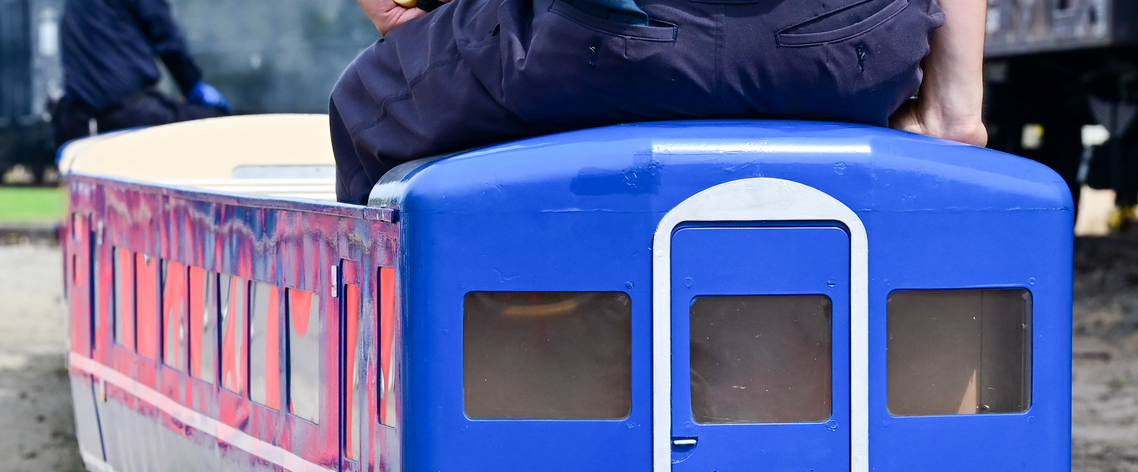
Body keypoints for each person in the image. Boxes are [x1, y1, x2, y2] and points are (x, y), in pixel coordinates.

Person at [329, 0, 988, 204]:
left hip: (615, 43)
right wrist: (955, 109)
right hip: (846, 40)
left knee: (369, 106)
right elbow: (952, 121)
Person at [53, 0, 230, 147]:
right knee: (221, 123)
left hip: (77, 122)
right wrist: (192, 85)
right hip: (129, 115)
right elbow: (166, 38)